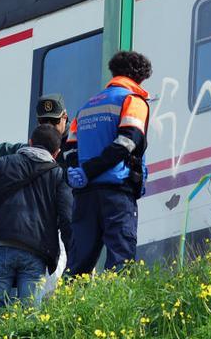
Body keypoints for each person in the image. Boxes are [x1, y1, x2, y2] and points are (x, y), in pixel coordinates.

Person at [0, 124, 72, 313]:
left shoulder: (2, 164)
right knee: (30, 313)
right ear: (56, 153)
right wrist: (74, 261)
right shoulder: (58, 175)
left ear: (30, 143)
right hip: (36, 252)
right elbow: (67, 220)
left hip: (0, 246)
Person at [64, 51, 152, 275]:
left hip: (84, 195)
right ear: (139, 77)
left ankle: (70, 306)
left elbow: (70, 148)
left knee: (79, 263)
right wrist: (90, 169)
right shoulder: (132, 100)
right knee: (121, 258)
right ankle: (119, 307)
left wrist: (77, 171)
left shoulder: (85, 108)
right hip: (116, 192)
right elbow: (128, 141)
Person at [0, 94, 72, 167]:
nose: (49, 126)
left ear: (65, 117)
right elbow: (5, 150)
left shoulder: (77, 139)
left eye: (54, 121)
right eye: (44, 121)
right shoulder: (34, 148)